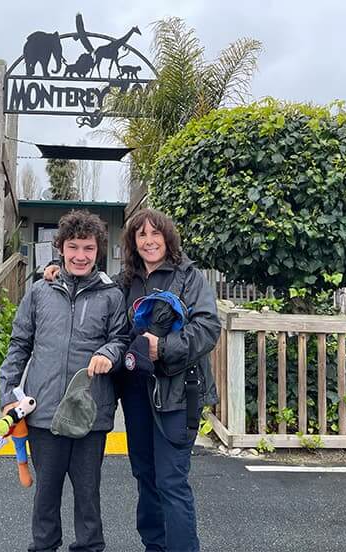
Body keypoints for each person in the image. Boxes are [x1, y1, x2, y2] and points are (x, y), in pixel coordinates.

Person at [45, 208, 220, 552]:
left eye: (156, 234)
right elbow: (88, 279)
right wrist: (51, 272)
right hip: (136, 393)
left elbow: (208, 329)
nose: (149, 241)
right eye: (142, 235)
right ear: (133, 242)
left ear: (168, 238)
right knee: (145, 476)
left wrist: (164, 348)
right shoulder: (126, 280)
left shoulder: (189, 277)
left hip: (176, 394)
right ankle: (154, 546)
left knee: (171, 481)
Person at [0, 210, 129, 552]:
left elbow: (121, 338)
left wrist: (109, 353)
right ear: (60, 248)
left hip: (91, 414)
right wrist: (8, 394)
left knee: (88, 496)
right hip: (43, 414)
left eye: (88, 248)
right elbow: (19, 345)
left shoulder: (112, 295)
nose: (81, 256)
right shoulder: (40, 291)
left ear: (98, 250)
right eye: (73, 247)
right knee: (46, 496)